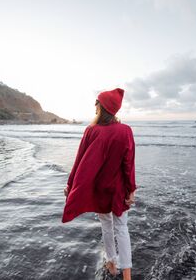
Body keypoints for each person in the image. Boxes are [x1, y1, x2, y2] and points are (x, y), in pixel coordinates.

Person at [62, 88, 136, 279]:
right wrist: (131, 189)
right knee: (121, 227)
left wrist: (71, 184)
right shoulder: (125, 131)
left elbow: (79, 161)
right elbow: (129, 163)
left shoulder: (91, 130)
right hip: (118, 188)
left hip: (100, 188)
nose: (94, 105)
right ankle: (127, 274)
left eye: (97, 102)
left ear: (102, 107)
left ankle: (112, 263)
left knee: (106, 225)